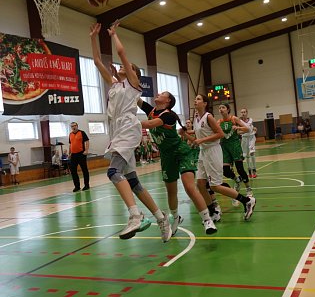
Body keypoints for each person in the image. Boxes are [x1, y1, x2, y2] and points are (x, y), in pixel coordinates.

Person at [90, 22, 171, 242]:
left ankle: (136, 216)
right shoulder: (115, 85)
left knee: (112, 173)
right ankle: (161, 217)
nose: (123, 66)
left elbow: (122, 52)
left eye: (129, 67)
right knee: (133, 182)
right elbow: (97, 61)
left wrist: (114, 34)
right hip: (117, 130)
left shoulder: (134, 85)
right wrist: (93, 37)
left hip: (128, 128)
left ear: (135, 74)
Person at [139, 91, 217, 235]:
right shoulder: (151, 110)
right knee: (171, 191)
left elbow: (149, 124)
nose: (157, 93)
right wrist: (121, 83)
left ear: (167, 100)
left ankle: (207, 220)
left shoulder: (168, 115)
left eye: (162, 93)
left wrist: (127, 122)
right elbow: (134, 98)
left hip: (181, 152)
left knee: (189, 187)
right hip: (166, 155)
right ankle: (175, 217)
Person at [184, 95, 256, 221]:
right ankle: (213, 211)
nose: (195, 101)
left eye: (199, 99)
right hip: (203, 152)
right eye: (195, 99)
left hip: (213, 151)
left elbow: (220, 134)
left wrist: (201, 140)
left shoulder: (209, 117)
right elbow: (197, 139)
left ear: (205, 103)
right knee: (200, 184)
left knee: (214, 186)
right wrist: (184, 134)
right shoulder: (196, 119)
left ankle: (247, 201)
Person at [218, 103, 254, 207]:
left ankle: (248, 188)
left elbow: (247, 129)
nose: (221, 109)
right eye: (219, 108)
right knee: (225, 171)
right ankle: (237, 180)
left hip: (235, 145)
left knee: (240, 169)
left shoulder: (234, 119)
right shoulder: (219, 122)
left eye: (223, 107)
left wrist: (238, 128)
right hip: (224, 147)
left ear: (228, 109)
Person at [69, 122, 90, 192]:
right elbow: (71, 144)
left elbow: (87, 141)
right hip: (73, 155)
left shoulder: (82, 133)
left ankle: (86, 185)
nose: (73, 127)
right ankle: (77, 186)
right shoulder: (70, 134)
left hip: (81, 154)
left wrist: (86, 150)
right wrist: (70, 153)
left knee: (84, 170)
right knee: (73, 171)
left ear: (77, 126)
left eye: (74, 126)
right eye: (72, 126)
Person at [240, 108, 257, 178]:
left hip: (251, 137)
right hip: (244, 139)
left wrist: (253, 129)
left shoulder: (250, 120)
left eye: (244, 112)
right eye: (242, 112)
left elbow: (249, 128)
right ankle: (249, 170)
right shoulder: (239, 121)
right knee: (246, 155)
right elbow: (242, 131)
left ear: (247, 113)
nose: (243, 113)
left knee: (252, 153)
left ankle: (254, 170)